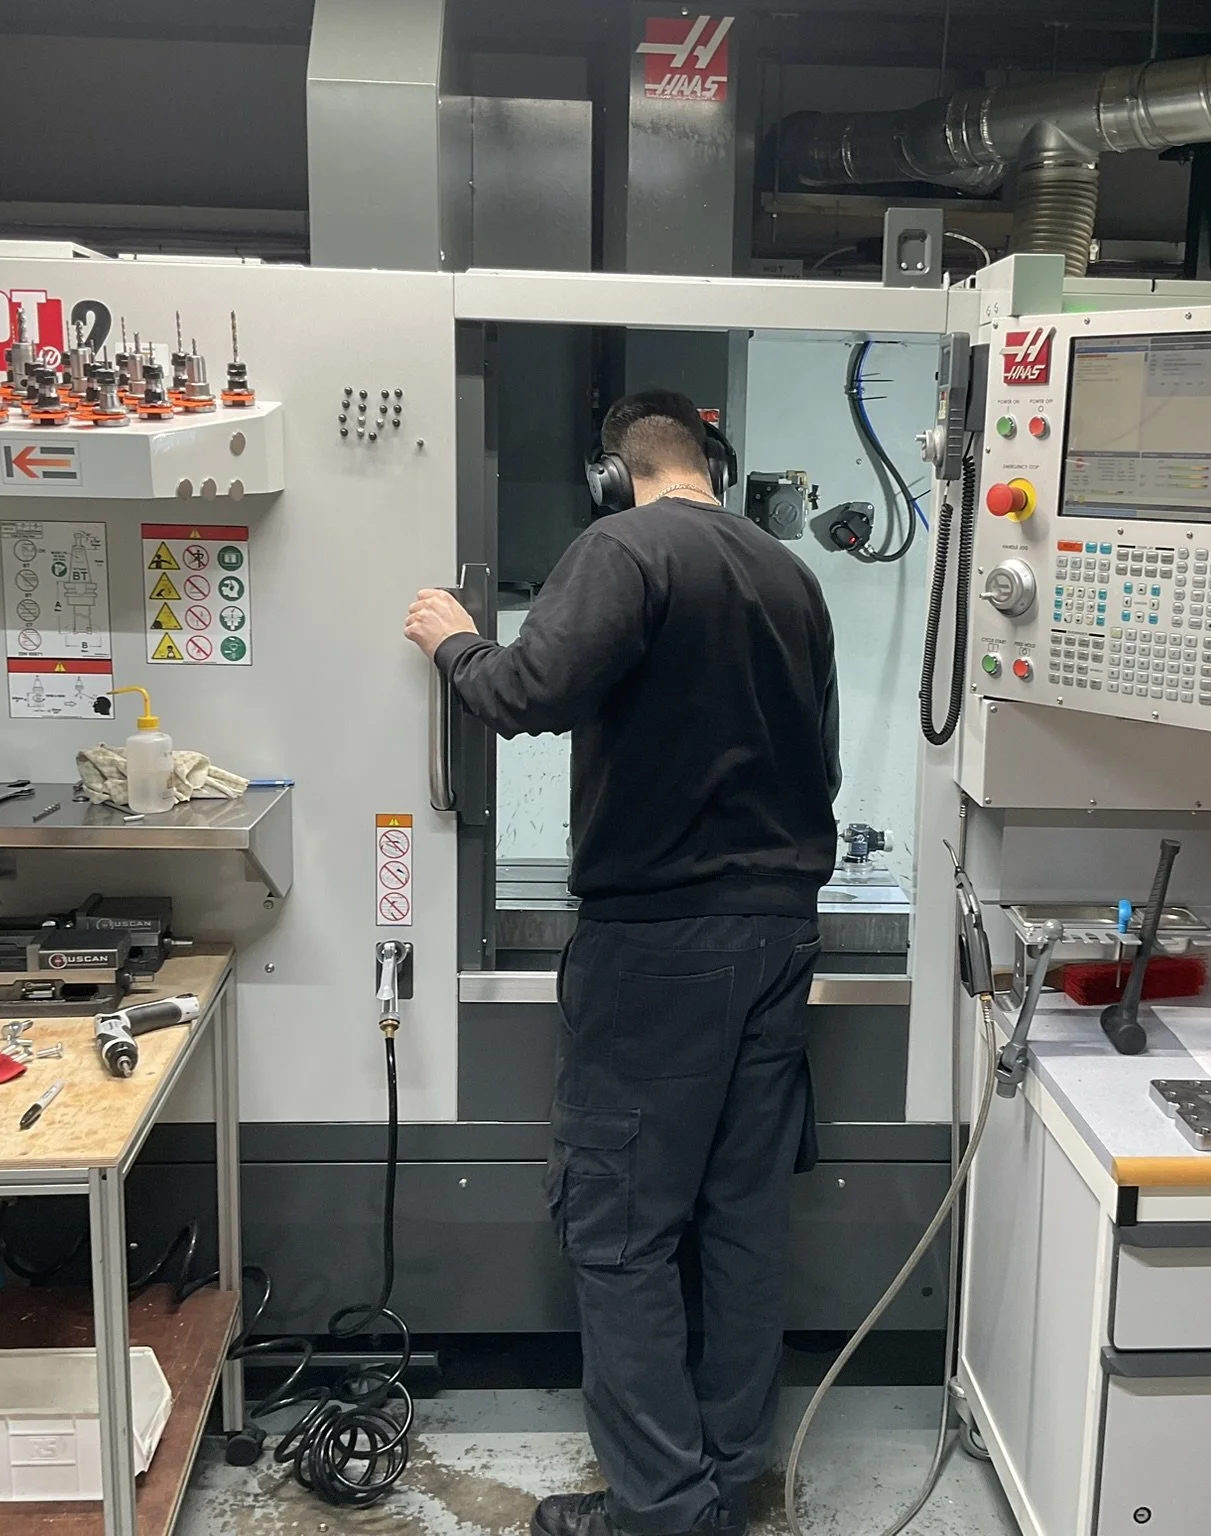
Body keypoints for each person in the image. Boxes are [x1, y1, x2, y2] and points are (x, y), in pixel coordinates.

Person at [404, 389, 840, 1536]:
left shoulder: (622, 549)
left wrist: (451, 637)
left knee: (620, 1231)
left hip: (659, 952)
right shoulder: (792, 578)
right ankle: (724, 1479)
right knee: (740, 1225)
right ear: (713, 464)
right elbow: (824, 762)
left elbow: (523, 693)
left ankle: (657, 1512)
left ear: (613, 474)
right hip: (780, 936)